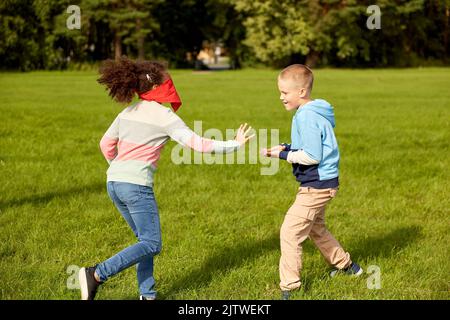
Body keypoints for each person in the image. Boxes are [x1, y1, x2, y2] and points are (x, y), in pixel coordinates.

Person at [78, 56, 254, 300]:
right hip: (136, 186)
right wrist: (235, 143)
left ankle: (147, 295)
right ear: (156, 86)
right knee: (152, 243)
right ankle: (96, 274)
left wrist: (118, 168)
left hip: (114, 183)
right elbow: (199, 145)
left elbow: (105, 143)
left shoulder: (127, 112)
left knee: (143, 241)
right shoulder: (165, 117)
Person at [262, 64, 362, 300]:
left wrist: (282, 155)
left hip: (316, 186)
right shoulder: (313, 112)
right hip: (323, 183)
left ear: (302, 91)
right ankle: (348, 267)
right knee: (316, 229)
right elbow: (308, 145)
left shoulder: (307, 116)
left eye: (285, 92)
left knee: (290, 232)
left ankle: (290, 288)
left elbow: (311, 156)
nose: (281, 97)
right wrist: (287, 147)